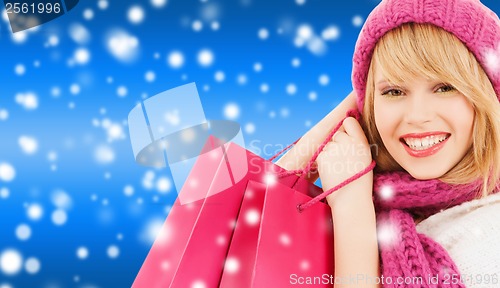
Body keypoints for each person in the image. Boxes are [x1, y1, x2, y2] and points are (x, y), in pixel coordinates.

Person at [277, 0, 500, 287]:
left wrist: (351, 208)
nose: (417, 116)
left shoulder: (488, 233)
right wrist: (361, 95)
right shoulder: (376, 197)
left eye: (445, 87)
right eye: (394, 91)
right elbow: (254, 206)